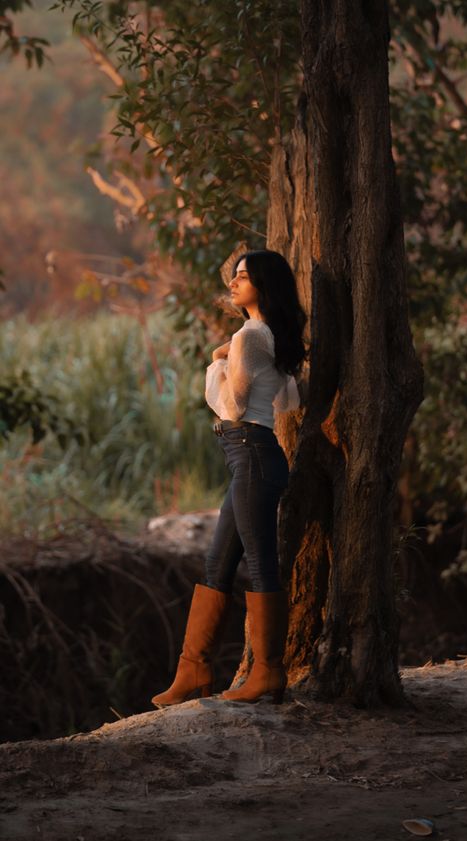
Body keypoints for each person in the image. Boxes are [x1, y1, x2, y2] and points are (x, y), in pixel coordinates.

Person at [151, 249, 307, 707]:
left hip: (251, 455)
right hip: (252, 458)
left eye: (243, 276)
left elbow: (233, 406)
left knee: (259, 564)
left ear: (263, 284)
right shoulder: (270, 335)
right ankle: (193, 671)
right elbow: (289, 401)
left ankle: (268, 672)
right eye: (234, 276)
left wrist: (217, 362)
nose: (234, 283)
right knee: (218, 564)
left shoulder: (248, 338)